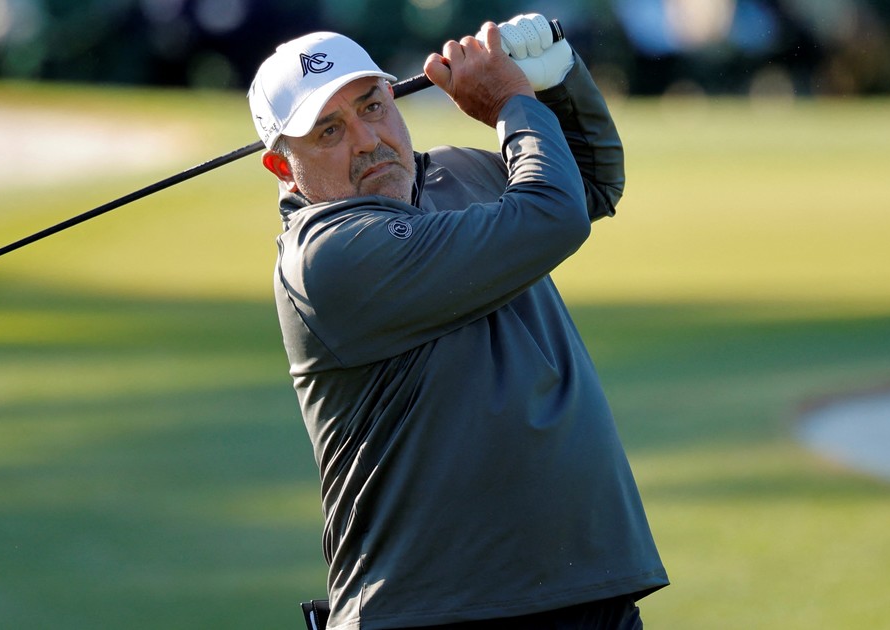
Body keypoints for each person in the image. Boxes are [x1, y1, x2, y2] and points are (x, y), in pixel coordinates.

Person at [247, 13, 669, 630]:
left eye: (372, 108)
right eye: (329, 130)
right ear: (283, 168)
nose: (366, 141)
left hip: (583, 591)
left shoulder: (456, 171)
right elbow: (550, 216)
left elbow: (587, 185)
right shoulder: (327, 258)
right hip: (437, 611)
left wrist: (554, 76)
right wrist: (510, 104)